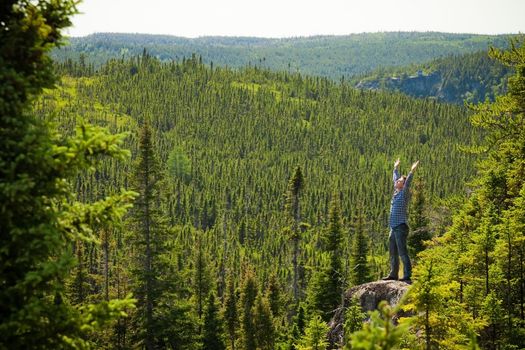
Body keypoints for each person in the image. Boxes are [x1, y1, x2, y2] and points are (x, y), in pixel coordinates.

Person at [382, 158, 419, 282]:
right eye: (397, 181)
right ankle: (393, 274)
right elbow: (395, 178)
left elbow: (407, 182)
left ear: (402, 185)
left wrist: (411, 171)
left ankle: (407, 275)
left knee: (402, 251)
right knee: (393, 251)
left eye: (399, 181)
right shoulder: (396, 192)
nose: (397, 181)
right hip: (393, 227)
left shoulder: (403, 194)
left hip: (401, 227)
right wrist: (395, 168)